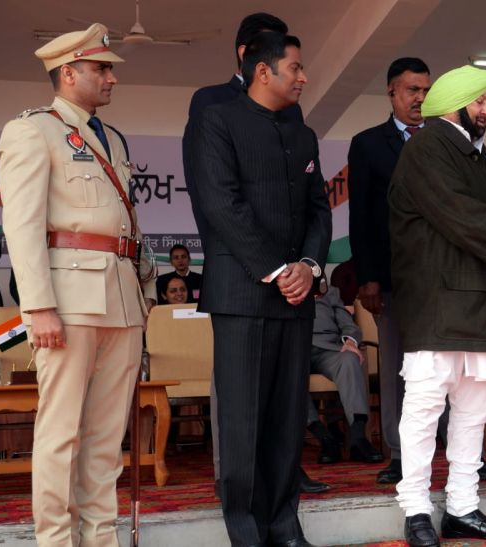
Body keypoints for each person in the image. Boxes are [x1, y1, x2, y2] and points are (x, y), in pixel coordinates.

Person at [0, 23, 157, 546]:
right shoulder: (32, 129)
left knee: (107, 437)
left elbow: (124, 223)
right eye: (101, 68)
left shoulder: (110, 137)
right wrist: (37, 306)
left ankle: (100, 537)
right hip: (67, 301)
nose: (111, 79)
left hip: (121, 301)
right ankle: (56, 541)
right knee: (61, 432)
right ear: (69, 73)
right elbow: (21, 226)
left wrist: (146, 290)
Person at [388, 65, 486, 546]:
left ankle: (462, 505)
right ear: (453, 106)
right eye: (479, 102)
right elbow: (463, 216)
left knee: (474, 410)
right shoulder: (427, 147)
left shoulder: (473, 153)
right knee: (424, 409)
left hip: (481, 301)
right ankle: (416, 510)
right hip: (440, 303)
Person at [189, 30, 331, 546]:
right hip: (244, 293)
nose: (304, 76)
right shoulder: (216, 120)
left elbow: (319, 209)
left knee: (287, 416)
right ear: (263, 70)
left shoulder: (304, 135)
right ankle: (246, 530)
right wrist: (278, 268)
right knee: (243, 418)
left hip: (296, 296)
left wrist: (310, 266)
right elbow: (221, 205)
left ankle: (283, 522)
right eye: (295, 67)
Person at [347, 57, 431, 484]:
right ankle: (399, 455)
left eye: (425, 91)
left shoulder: (444, 139)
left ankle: (457, 452)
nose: (420, 99)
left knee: (446, 367)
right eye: (412, 90)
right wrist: (368, 278)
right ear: (392, 92)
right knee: (400, 368)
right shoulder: (367, 144)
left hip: (441, 280)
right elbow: (360, 218)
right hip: (393, 278)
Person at [306, 282, 383, 464]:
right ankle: (326, 439)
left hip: (330, 349)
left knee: (350, 358)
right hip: (295, 350)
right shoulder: (281, 289)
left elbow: (348, 324)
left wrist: (349, 341)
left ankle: (358, 438)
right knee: (287, 370)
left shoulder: (331, 292)